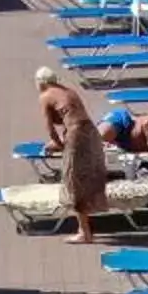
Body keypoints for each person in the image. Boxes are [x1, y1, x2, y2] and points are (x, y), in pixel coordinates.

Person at [37, 67, 107, 244]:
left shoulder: (45, 96)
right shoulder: (68, 91)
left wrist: (59, 145)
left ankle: (84, 232)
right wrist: (63, 142)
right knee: (89, 175)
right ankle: (89, 225)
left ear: (41, 82)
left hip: (77, 135)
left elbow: (51, 129)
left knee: (74, 180)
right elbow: (75, 119)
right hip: (91, 132)